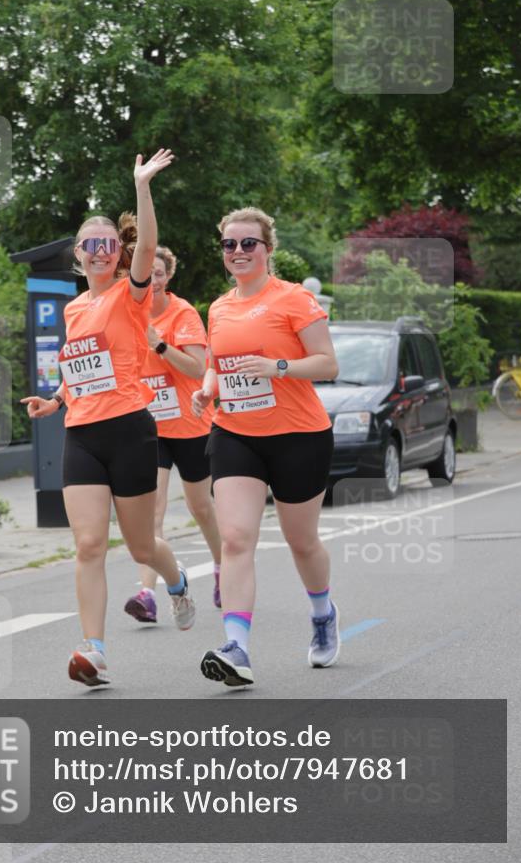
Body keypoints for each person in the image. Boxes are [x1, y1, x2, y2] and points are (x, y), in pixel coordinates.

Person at [21, 149, 195, 688]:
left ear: (118, 254)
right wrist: (55, 400)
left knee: (142, 546)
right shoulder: (73, 309)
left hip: (130, 430)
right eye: (89, 246)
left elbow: (148, 244)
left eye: (107, 245)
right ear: (77, 254)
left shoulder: (131, 294)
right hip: (82, 433)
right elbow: (81, 368)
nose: (99, 252)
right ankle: (93, 649)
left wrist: (142, 186)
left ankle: (176, 580)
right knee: (90, 544)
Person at [191, 207, 339, 687]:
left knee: (302, 541)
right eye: (229, 244)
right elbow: (218, 362)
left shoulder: (294, 300)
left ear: (267, 249)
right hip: (235, 432)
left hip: (298, 434)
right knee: (235, 538)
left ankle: (322, 613)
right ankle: (237, 647)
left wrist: (277, 367)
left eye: (248, 243)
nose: (237, 252)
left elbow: (327, 365)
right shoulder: (217, 307)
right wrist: (207, 387)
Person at [123, 246, 222, 623]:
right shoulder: (129, 313)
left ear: (167, 276)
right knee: (154, 509)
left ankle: (220, 568)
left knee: (200, 507)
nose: (153, 279)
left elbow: (199, 369)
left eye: (159, 272)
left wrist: (160, 344)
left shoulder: (183, 315)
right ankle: (147, 593)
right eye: (147, 272)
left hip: (191, 425)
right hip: (151, 427)